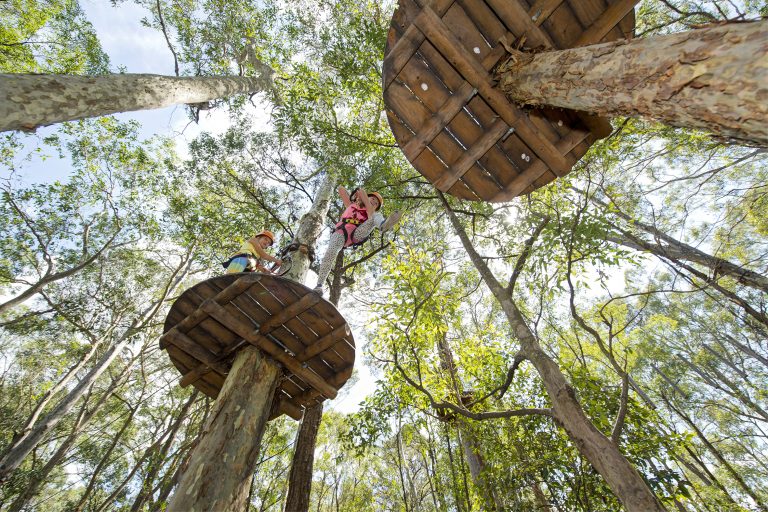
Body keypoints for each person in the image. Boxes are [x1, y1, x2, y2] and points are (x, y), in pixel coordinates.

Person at [314, 186, 399, 293]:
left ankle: (383, 225)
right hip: (341, 232)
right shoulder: (351, 205)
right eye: (372, 199)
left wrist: (364, 197)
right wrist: (355, 194)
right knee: (330, 253)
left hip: (357, 233)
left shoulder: (370, 212)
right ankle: (319, 285)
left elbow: (368, 206)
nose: (374, 202)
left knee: (375, 217)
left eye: (376, 203)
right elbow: (341, 189)